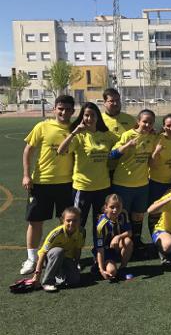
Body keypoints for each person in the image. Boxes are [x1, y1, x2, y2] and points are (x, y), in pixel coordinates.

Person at [20, 95, 75, 275]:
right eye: (60, 108)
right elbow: (28, 150)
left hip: (66, 184)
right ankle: (32, 259)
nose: (63, 112)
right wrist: (27, 175)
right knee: (35, 221)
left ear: (73, 111)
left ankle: (66, 257)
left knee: (66, 223)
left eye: (68, 109)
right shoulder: (42, 126)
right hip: (41, 183)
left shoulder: (76, 129)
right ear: (54, 109)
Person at [57, 102, 117, 234]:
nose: (89, 119)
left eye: (93, 115)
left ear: (98, 117)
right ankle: (73, 252)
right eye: (86, 115)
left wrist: (144, 132)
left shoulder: (106, 135)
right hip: (83, 187)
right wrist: (73, 133)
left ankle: (99, 251)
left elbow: (123, 142)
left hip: (103, 186)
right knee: (77, 222)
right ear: (82, 117)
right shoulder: (79, 135)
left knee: (101, 223)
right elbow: (61, 151)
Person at [109, 109, 158, 248]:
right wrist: (127, 146)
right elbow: (112, 155)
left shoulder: (153, 137)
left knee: (138, 216)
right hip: (122, 184)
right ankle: (116, 245)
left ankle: (136, 244)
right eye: (144, 121)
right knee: (120, 216)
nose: (147, 125)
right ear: (138, 121)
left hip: (142, 184)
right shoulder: (127, 135)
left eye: (150, 122)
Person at [29, 207, 85, 292]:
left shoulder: (82, 231)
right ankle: (48, 282)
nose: (71, 223)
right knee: (58, 251)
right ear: (63, 220)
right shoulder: (56, 233)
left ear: (80, 220)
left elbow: (78, 249)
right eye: (68, 220)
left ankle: (57, 273)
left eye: (75, 220)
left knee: (74, 280)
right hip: (50, 257)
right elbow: (43, 253)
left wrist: (75, 265)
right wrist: (37, 275)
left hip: (66, 258)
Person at [147, 114, 171, 235]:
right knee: (154, 212)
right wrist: (156, 152)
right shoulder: (158, 138)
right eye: (168, 125)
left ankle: (170, 235)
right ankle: (155, 238)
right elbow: (150, 163)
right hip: (156, 182)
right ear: (163, 126)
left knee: (170, 212)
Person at [93, 194, 133, 281]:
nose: (115, 210)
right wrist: (101, 270)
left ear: (122, 206)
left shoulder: (123, 214)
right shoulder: (101, 225)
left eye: (118, 206)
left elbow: (130, 232)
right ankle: (98, 265)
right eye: (112, 207)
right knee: (111, 272)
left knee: (128, 241)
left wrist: (118, 237)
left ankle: (123, 268)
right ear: (106, 207)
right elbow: (100, 249)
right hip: (105, 250)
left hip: (116, 246)